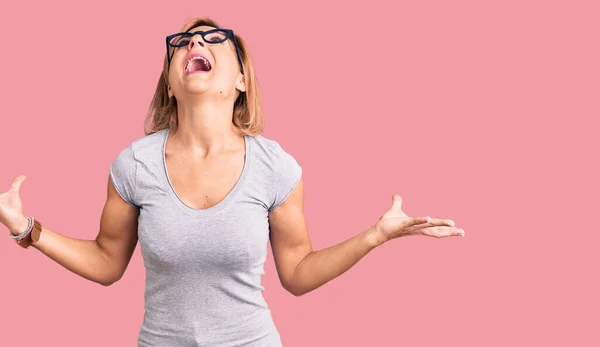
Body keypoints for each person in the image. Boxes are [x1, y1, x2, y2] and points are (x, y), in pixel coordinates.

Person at [0, 17, 465, 347]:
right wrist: (25, 228)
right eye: (181, 42)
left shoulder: (275, 166)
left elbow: (298, 273)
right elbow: (106, 262)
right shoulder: (133, 165)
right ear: (169, 83)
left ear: (241, 79)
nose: (193, 44)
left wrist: (375, 236)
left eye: (212, 38)